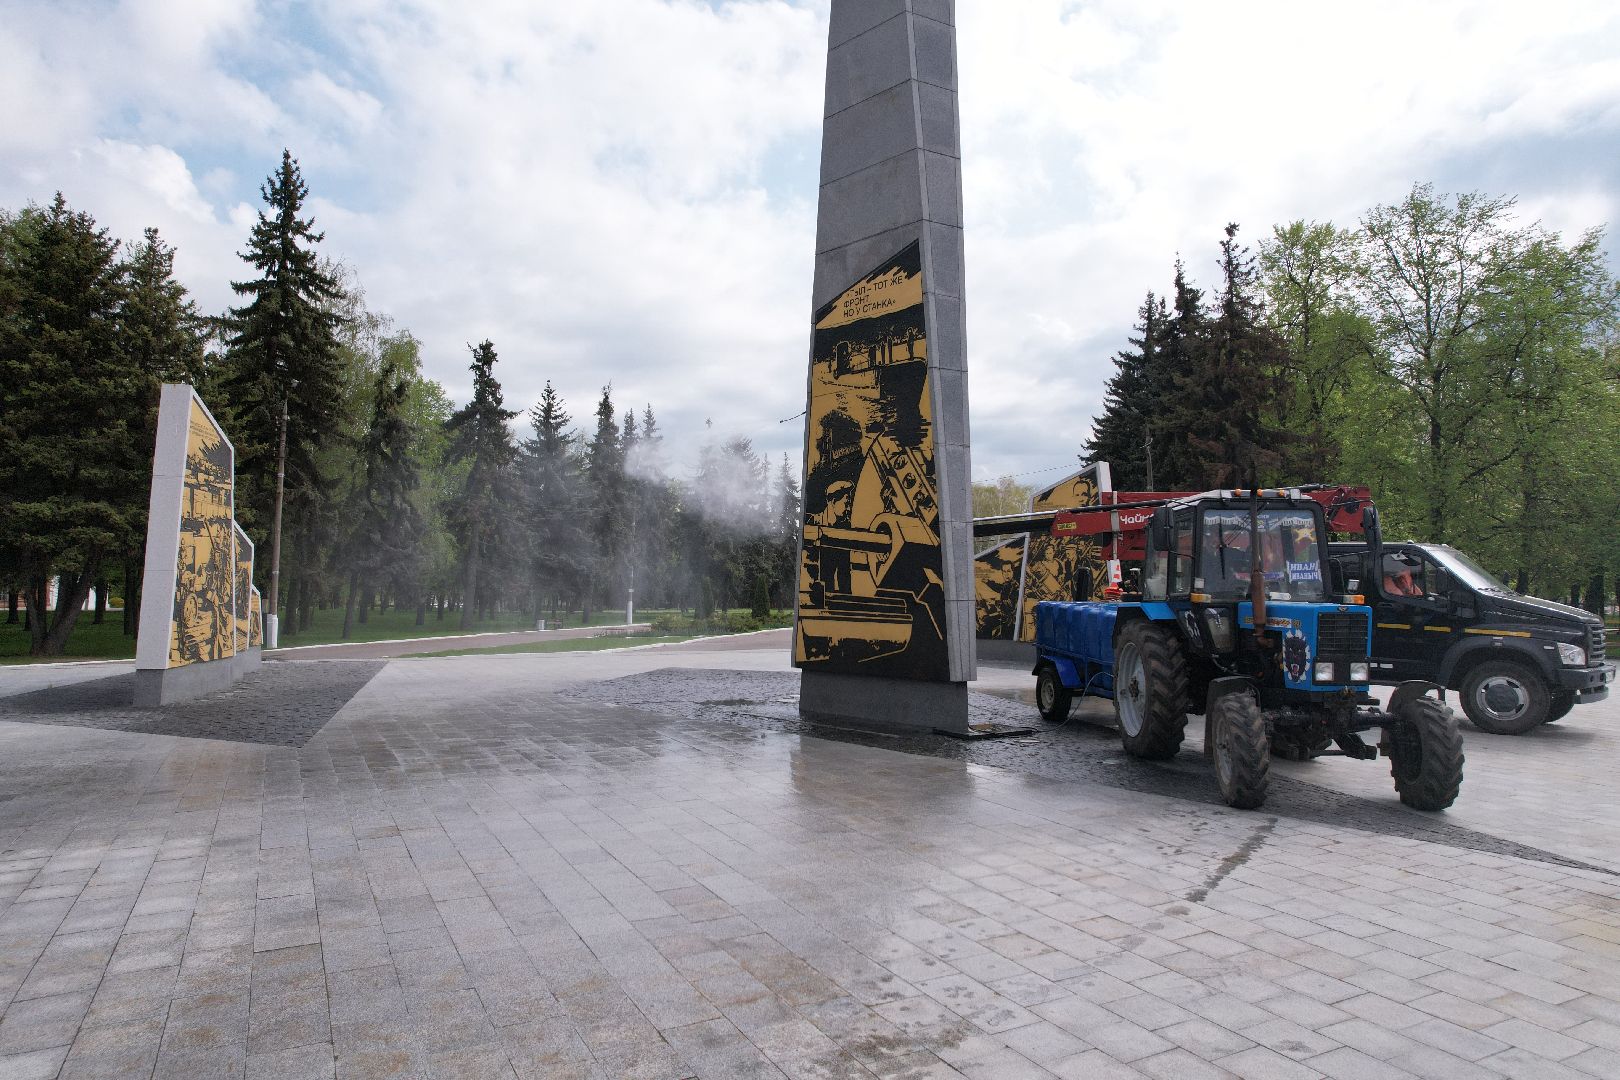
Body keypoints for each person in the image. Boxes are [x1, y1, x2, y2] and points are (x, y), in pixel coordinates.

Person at [812, 480, 855, 595]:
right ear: (834, 501)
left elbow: (845, 572)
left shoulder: (846, 526)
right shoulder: (815, 522)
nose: (849, 509)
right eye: (846, 504)